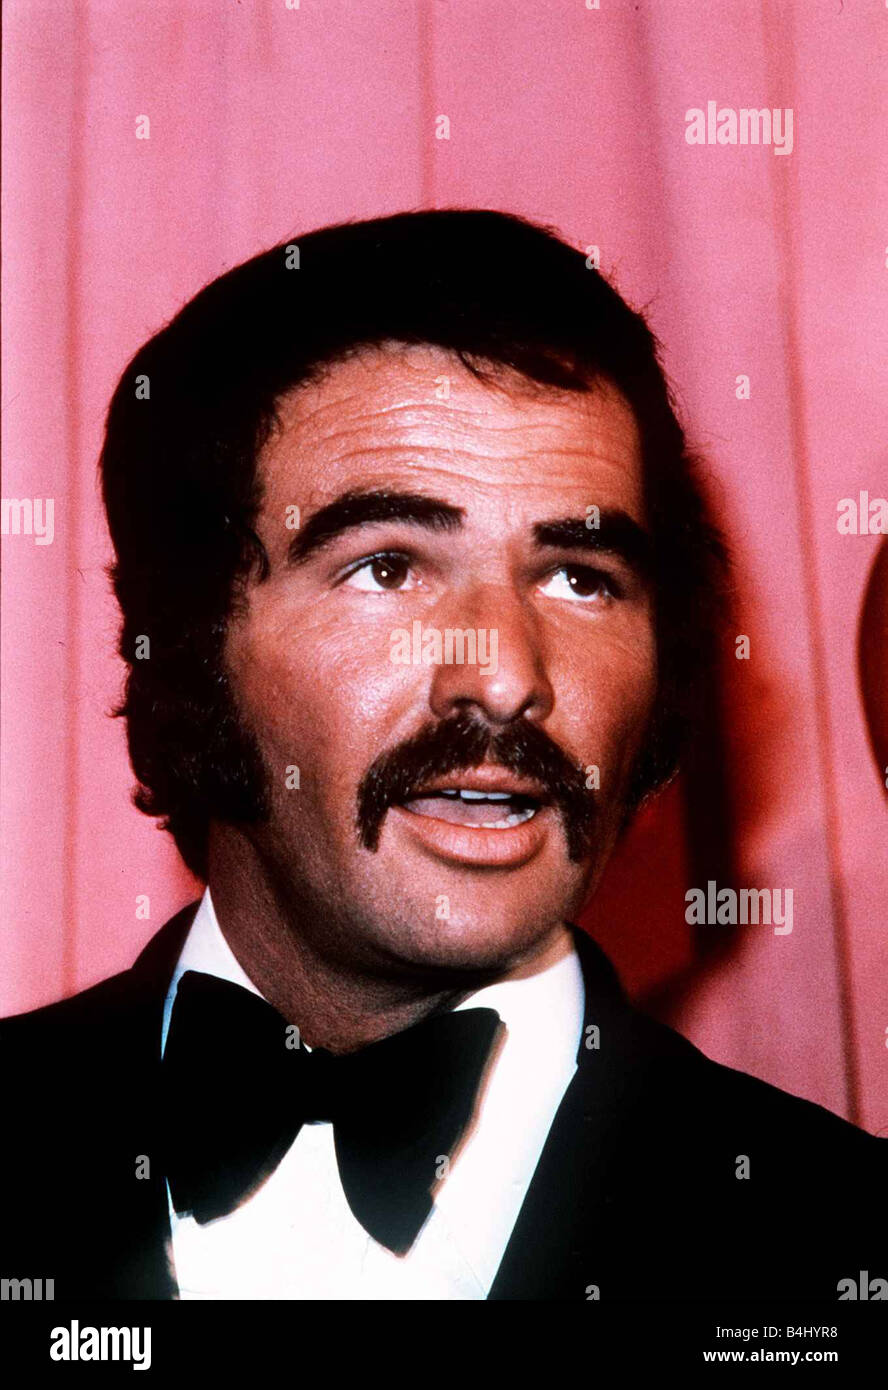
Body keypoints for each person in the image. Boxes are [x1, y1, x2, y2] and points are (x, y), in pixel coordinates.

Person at [1, 210, 883, 1301]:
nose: (504, 675)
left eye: (580, 577)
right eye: (389, 568)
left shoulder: (845, 1247)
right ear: (190, 651)